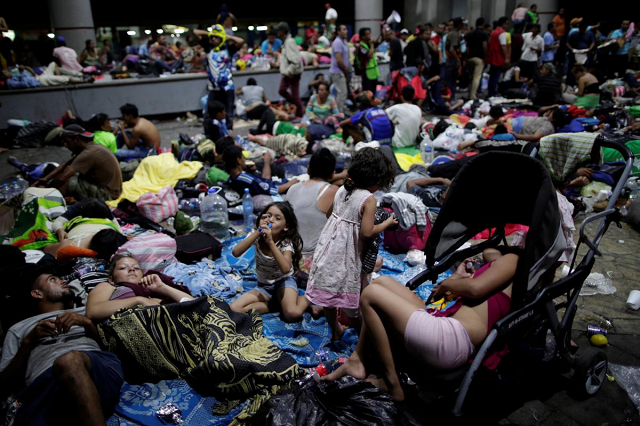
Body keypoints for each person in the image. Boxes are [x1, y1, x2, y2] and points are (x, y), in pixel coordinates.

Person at [324, 248, 520, 402]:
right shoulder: (505, 266)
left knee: (370, 295)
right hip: (446, 324)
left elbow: (475, 288)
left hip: (451, 339)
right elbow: (490, 253)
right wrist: (457, 278)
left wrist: (448, 284)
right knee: (382, 282)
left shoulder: (515, 259)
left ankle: (392, 384)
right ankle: (358, 360)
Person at [0, 266, 124, 425]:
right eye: (53, 279)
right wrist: (28, 342)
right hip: (46, 385)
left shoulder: (87, 311)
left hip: (97, 370)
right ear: (37, 293)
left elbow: (113, 348)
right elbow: (3, 383)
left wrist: (87, 323)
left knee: (68, 362)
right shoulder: (19, 329)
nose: (63, 280)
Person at [305, 148, 398, 340]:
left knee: (329, 295)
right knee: (354, 297)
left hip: (329, 247)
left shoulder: (342, 189)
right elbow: (366, 232)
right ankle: (366, 336)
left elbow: (329, 213)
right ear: (376, 181)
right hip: (348, 253)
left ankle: (335, 331)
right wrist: (387, 222)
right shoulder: (368, 199)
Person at [230, 201, 317, 321]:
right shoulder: (256, 235)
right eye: (268, 216)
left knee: (292, 314)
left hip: (284, 283)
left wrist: (271, 242)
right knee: (235, 308)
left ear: (285, 226)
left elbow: (286, 269)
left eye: (277, 218)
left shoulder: (285, 242)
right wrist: (256, 232)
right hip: (264, 286)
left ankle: (310, 295)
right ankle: (275, 305)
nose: (270, 220)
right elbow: (236, 252)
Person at [86, 254, 193, 322]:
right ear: (111, 279)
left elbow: (192, 304)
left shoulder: (152, 295)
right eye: (123, 268)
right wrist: (138, 300)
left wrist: (162, 287)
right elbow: (92, 311)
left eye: (136, 268)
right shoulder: (109, 286)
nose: (131, 270)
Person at [33, 124, 123, 200]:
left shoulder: (88, 153)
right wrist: (46, 179)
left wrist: (47, 190)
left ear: (76, 139)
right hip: (110, 189)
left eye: (67, 142)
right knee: (67, 174)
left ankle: (48, 201)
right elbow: (65, 165)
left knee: (69, 181)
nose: (66, 146)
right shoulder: (91, 147)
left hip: (108, 194)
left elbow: (62, 178)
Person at [285, 148, 340, 270]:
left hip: (287, 258)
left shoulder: (292, 188)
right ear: (332, 174)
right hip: (312, 263)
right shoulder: (333, 191)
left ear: (308, 169)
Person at [202, 25, 244, 135]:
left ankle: (229, 136)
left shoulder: (228, 50)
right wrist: (212, 33)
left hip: (227, 87)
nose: (214, 39)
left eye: (217, 37)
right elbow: (196, 32)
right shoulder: (208, 49)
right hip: (213, 89)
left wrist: (226, 36)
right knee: (208, 115)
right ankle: (210, 137)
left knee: (229, 114)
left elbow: (241, 41)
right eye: (212, 38)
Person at [223, 145, 298, 195]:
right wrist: (291, 183)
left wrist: (252, 173)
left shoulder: (230, 180)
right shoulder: (245, 178)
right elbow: (271, 190)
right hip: (283, 186)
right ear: (238, 160)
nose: (244, 159)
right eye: (242, 157)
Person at [276, 22, 305, 118]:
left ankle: (300, 113)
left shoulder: (289, 42)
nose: (278, 33)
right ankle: (297, 106)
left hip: (292, 73)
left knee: (295, 95)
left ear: (282, 31)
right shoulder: (286, 42)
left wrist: (290, 71)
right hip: (288, 72)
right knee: (282, 90)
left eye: (279, 31)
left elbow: (295, 60)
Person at [465, 17, 489, 100]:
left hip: (470, 57)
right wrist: (485, 56)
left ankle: (469, 94)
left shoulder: (469, 34)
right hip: (479, 58)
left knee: (470, 77)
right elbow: (484, 46)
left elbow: (466, 46)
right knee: (476, 77)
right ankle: (473, 96)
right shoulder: (484, 34)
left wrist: (467, 56)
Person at [487, 17, 511, 97]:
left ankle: (490, 92)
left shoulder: (493, 32)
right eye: (506, 23)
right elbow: (503, 46)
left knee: (492, 76)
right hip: (498, 57)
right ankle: (493, 93)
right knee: (496, 76)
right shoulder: (502, 33)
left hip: (492, 57)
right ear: (503, 23)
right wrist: (506, 58)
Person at [330, 24, 351, 113]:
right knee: (342, 93)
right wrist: (345, 71)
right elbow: (339, 59)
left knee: (342, 93)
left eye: (346, 29)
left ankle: (340, 110)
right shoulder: (338, 42)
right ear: (338, 32)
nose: (346, 31)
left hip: (342, 72)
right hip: (338, 72)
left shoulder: (344, 42)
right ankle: (338, 113)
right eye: (344, 29)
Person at [356, 27, 380, 93]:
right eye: (368, 34)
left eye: (370, 34)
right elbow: (369, 55)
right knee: (368, 94)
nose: (370, 36)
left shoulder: (368, 44)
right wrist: (372, 44)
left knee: (373, 93)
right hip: (367, 74)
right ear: (363, 36)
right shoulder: (361, 46)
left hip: (373, 73)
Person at [445, 17, 464, 97]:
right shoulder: (454, 34)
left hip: (451, 59)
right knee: (452, 80)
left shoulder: (452, 33)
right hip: (452, 60)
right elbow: (452, 49)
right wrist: (458, 60)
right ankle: (451, 97)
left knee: (451, 80)